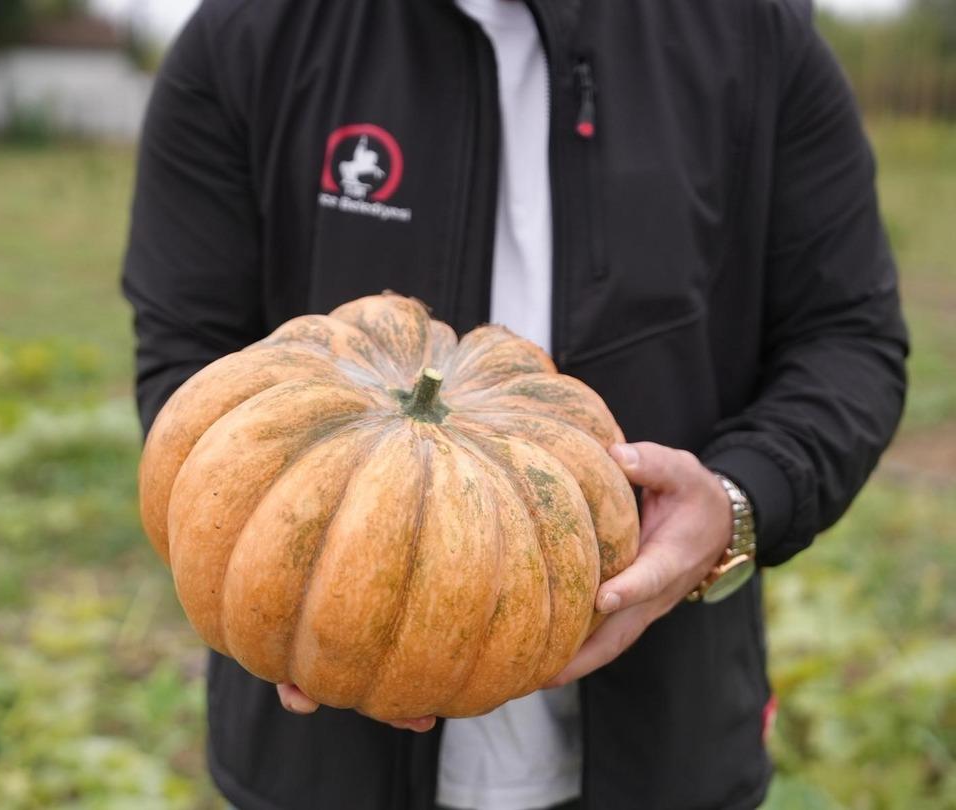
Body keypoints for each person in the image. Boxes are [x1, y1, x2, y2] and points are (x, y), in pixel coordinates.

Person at [121, 0, 909, 807]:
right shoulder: (253, 33)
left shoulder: (748, 31)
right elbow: (190, 358)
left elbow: (848, 338)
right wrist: (284, 568)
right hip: (322, 765)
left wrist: (742, 500)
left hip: (665, 746)